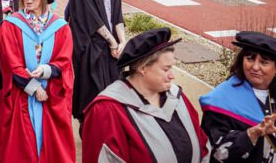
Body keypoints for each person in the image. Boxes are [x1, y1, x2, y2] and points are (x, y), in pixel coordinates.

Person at [81, 28, 210, 163]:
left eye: (172, 67)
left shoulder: (176, 96)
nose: (172, 76)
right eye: (166, 69)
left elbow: (202, 144)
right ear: (143, 69)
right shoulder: (107, 110)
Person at [199, 32, 276, 163]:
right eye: (250, 59)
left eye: (264, 62)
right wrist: (251, 135)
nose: (255, 67)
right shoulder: (221, 100)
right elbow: (213, 152)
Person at [0, 0, 75, 163]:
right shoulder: (11, 25)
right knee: (22, 151)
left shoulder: (61, 27)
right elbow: (10, 64)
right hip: (21, 97)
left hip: (51, 96)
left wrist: (47, 70)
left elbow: (64, 62)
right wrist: (34, 87)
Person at [66, 0, 126, 126]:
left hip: (111, 48)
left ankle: (109, 128)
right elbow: (92, 18)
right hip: (93, 48)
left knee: (114, 90)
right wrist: (113, 43)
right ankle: (90, 129)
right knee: (95, 91)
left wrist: (123, 42)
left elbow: (117, 14)